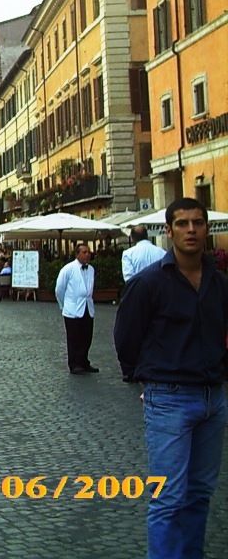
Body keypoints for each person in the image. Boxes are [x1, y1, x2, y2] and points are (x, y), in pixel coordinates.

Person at [114, 198, 228, 559]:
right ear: (169, 231)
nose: (191, 230)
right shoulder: (149, 283)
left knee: (199, 495)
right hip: (171, 398)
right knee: (168, 498)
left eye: (197, 223)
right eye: (182, 224)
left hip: (214, 398)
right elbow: (126, 336)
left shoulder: (219, 282)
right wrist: (143, 378)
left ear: (206, 228)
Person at [55, 243, 98, 375]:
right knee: (74, 337)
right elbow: (59, 289)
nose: (87, 255)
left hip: (87, 307)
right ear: (77, 254)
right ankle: (74, 363)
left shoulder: (91, 269)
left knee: (86, 336)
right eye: (84, 252)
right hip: (72, 309)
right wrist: (64, 304)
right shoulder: (68, 269)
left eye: (88, 252)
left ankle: (84, 361)